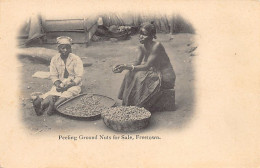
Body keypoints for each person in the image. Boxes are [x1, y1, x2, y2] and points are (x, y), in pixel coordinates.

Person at [113, 22, 176, 110]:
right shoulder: (141, 47)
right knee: (129, 74)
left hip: (164, 74)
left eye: (144, 34)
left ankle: (138, 105)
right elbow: (136, 63)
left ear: (152, 36)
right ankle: (128, 104)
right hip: (153, 69)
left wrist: (127, 66)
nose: (140, 37)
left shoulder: (157, 46)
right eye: (140, 34)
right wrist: (122, 67)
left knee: (139, 76)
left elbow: (146, 66)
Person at [33, 36, 84, 116]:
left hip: (73, 84)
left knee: (70, 92)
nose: (65, 50)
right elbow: (53, 76)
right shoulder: (54, 59)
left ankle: (55, 104)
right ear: (58, 48)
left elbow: (79, 77)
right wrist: (58, 85)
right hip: (60, 83)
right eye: (62, 48)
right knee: (53, 92)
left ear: (70, 48)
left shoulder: (76, 59)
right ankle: (43, 105)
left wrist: (68, 86)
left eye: (68, 48)